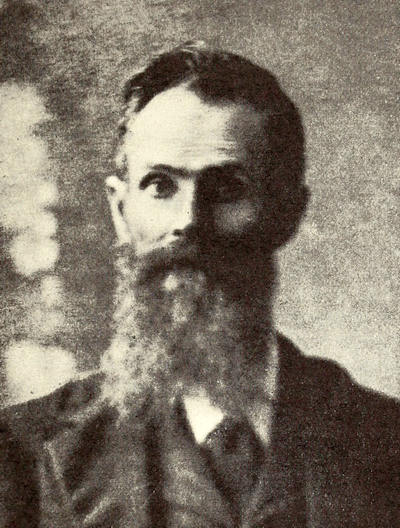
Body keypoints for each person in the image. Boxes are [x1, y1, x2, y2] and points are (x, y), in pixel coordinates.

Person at [0, 41, 399, 528]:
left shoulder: (385, 443)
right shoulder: (21, 455)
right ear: (120, 211)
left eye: (227, 188)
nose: (187, 220)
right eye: (160, 185)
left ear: (287, 213)